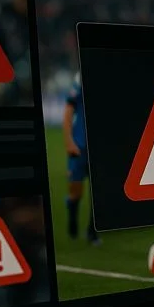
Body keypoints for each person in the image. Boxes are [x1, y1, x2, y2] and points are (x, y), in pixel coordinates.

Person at [63, 72, 101, 246]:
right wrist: (68, 141)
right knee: (76, 191)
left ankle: (92, 232)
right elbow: (69, 110)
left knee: (99, 194)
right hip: (79, 146)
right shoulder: (80, 78)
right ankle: (72, 213)